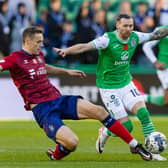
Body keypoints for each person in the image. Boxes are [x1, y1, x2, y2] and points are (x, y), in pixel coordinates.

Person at [0, 26, 152, 161]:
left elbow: (44, 67)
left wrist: (67, 71)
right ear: (27, 41)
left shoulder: (38, 55)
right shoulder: (15, 58)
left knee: (99, 111)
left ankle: (136, 145)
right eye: (38, 42)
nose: (41, 45)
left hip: (58, 99)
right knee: (72, 143)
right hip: (43, 109)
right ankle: (56, 154)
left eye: (41, 41)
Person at [53, 14, 168, 161]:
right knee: (127, 127)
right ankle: (106, 132)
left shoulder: (135, 37)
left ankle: (154, 152)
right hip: (109, 88)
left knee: (144, 114)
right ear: (117, 25)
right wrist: (67, 51)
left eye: (131, 26)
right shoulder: (107, 40)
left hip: (126, 83)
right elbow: (85, 46)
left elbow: (155, 35)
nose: (128, 29)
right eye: (125, 26)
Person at [143, 25, 168, 107]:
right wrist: (155, 62)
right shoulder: (162, 30)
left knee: (166, 101)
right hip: (165, 68)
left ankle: (142, 98)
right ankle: (141, 98)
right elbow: (146, 46)